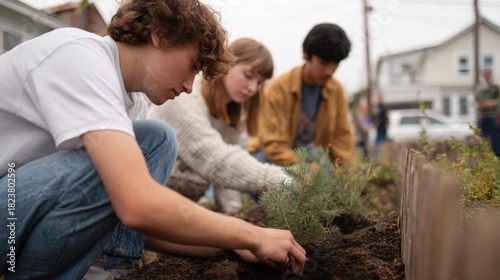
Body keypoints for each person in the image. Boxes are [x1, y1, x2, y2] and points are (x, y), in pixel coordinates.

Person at [0, 0, 306, 279]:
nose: (189, 87)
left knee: (155, 138)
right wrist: (250, 234)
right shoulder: (80, 57)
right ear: (160, 35)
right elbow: (137, 205)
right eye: (192, 66)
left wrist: (228, 244)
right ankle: (99, 271)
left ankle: (108, 270)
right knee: (139, 151)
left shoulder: (133, 103)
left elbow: (129, 224)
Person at [147, 37, 287, 214]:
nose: (252, 88)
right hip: (149, 205)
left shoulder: (233, 116)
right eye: (248, 76)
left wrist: (234, 215)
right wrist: (286, 180)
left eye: (259, 83)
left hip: (181, 208)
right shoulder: (183, 101)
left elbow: (226, 182)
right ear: (226, 65)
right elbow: (217, 161)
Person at [247, 23, 354, 166]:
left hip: (312, 158)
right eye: (323, 62)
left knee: (327, 168)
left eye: (335, 63)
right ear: (305, 54)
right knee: (260, 160)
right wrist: (306, 172)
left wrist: (346, 179)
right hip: (277, 158)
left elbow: (342, 140)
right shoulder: (278, 88)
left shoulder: (336, 90)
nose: (329, 70)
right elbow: (273, 145)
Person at [475, 68, 500, 156]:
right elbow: (475, 101)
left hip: (492, 116)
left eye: (488, 74)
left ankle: (496, 157)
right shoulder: (479, 88)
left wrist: (492, 103)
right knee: (482, 137)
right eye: (485, 74)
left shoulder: (495, 87)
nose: (486, 76)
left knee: (495, 138)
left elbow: (498, 99)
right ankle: (484, 157)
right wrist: (479, 104)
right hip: (481, 116)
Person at [372, 94, 389, 160]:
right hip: (379, 128)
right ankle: (378, 157)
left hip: (382, 128)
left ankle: (379, 157)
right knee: (378, 143)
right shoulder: (378, 107)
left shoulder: (383, 108)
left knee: (380, 143)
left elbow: (384, 118)